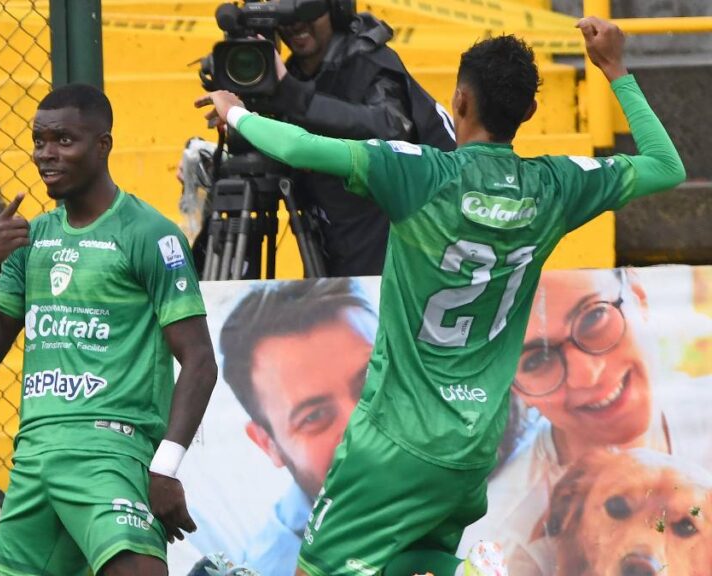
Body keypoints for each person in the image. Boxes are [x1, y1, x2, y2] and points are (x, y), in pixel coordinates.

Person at [196, 15, 686, 576]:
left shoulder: (420, 176)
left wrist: (235, 110)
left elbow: (303, 146)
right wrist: (616, 70)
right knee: (415, 564)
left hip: (393, 445)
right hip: (472, 449)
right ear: (528, 113)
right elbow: (666, 166)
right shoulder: (557, 186)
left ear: (458, 101)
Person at [0, 84, 219, 576]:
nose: (45, 154)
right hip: (34, 458)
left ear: (103, 144)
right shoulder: (31, 236)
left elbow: (200, 359)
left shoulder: (148, 233)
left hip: (108, 450)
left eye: (63, 140)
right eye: (39, 140)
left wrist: (163, 468)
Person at [460, 268, 712, 574]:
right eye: (537, 360)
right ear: (511, 385)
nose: (587, 375)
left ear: (638, 296)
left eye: (594, 317)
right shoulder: (501, 546)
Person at [184, 0, 455, 277]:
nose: (296, 24)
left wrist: (291, 94)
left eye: (307, 10)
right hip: (339, 243)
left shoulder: (368, 60)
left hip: (401, 248)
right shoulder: (288, 74)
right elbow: (290, 150)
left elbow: (392, 130)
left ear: (336, 9)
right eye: (285, 15)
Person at [215, 278, 378, 575]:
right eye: (314, 416)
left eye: (370, 382)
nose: (360, 424)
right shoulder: (274, 569)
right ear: (268, 445)